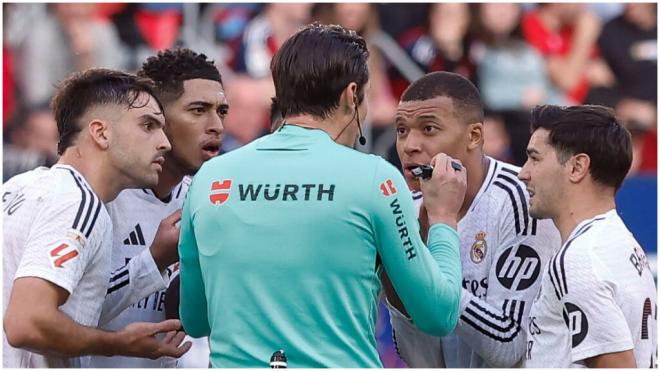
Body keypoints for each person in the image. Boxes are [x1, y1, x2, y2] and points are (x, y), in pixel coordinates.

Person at [178, 23, 465, 368]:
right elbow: (439, 315)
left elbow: (196, 321)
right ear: (351, 94)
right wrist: (444, 218)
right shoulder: (376, 179)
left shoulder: (210, 178)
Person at [2, 68, 191, 367]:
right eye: (148, 125)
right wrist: (120, 343)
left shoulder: (17, 188)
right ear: (101, 132)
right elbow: (27, 322)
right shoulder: (79, 202)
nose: (164, 143)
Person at [384, 71, 561, 367]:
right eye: (402, 130)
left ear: (474, 136)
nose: (409, 145)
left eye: (428, 129)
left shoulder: (520, 201)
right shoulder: (404, 208)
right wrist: (396, 284)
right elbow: (423, 362)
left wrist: (432, 278)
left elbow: (508, 347)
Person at [83, 49, 226, 367]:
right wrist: (153, 260)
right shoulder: (102, 196)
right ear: (155, 120)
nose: (216, 125)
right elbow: (71, 316)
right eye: (198, 110)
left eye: (222, 111)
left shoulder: (206, 201)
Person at [519, 105, 657, 368]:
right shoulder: (619, 242)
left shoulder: (579, 261)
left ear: (577, 167)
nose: (523, 172)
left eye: (535, 158)